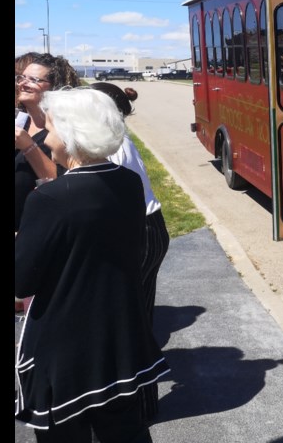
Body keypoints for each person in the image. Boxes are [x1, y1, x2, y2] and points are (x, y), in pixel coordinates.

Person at [15, 87, 170, 442]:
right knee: (125, 429)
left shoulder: (50, 199)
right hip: (116, 335)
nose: (46, 137)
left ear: (71, 138)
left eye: (51, 129)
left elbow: (21, 282)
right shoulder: (127, 182)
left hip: (65, 345)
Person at [89, 82, 170, 422]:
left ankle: (143, 407)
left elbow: (113, 203)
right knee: (134, 319)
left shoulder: (115, 145)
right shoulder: (109, 142)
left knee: (134, 323)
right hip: (139, 230)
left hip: (140, 233)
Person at [15, 53, 81, 232]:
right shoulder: (21, 121)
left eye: (33, 79)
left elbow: (63, 183)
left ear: (54, 88)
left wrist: (29, 146)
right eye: (21, 78)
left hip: (35, 229)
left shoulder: (64, 132)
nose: (22, 83)